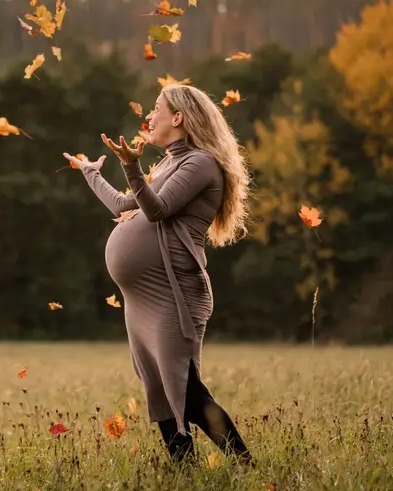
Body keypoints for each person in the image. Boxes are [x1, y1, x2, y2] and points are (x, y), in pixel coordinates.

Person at [63, 84, 253, 465]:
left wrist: (131, 166)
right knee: (159, 388)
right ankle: (185, 470)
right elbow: (125, 205)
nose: (149, 117)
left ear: (178, 117)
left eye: (156, 109)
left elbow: (158, 210)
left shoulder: (200, 163)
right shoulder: (169, 163)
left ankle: (245, 464)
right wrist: (92, 174)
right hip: (142, 298)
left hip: (173, 292)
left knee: (185, 388)